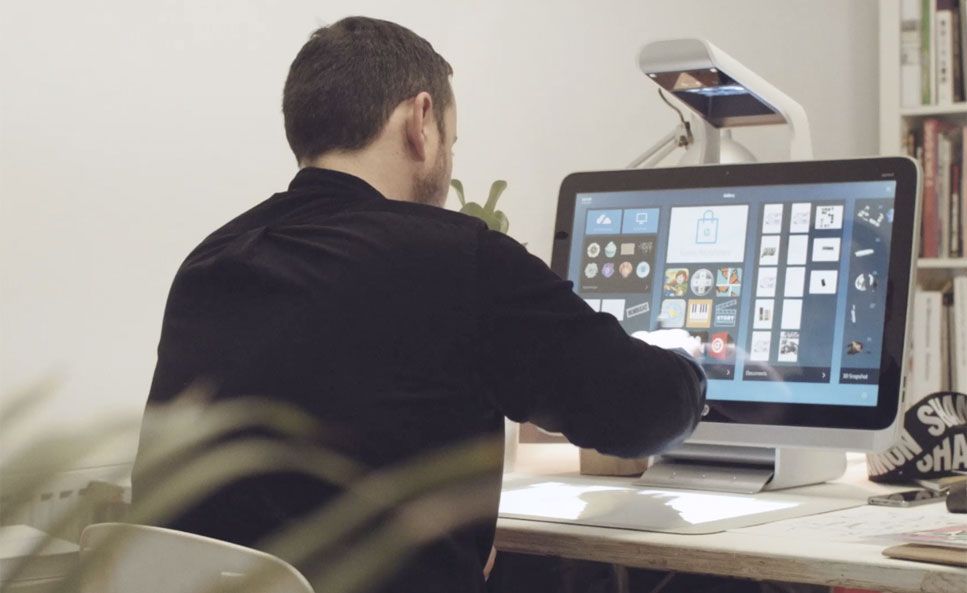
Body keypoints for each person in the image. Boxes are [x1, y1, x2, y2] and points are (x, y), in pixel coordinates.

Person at [132, 16, 706, 593]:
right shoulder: (459, 258)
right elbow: (646, 412)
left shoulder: (209, 261)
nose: (449, 160)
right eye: (451, 142)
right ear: (420, 119)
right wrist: (683, 362)